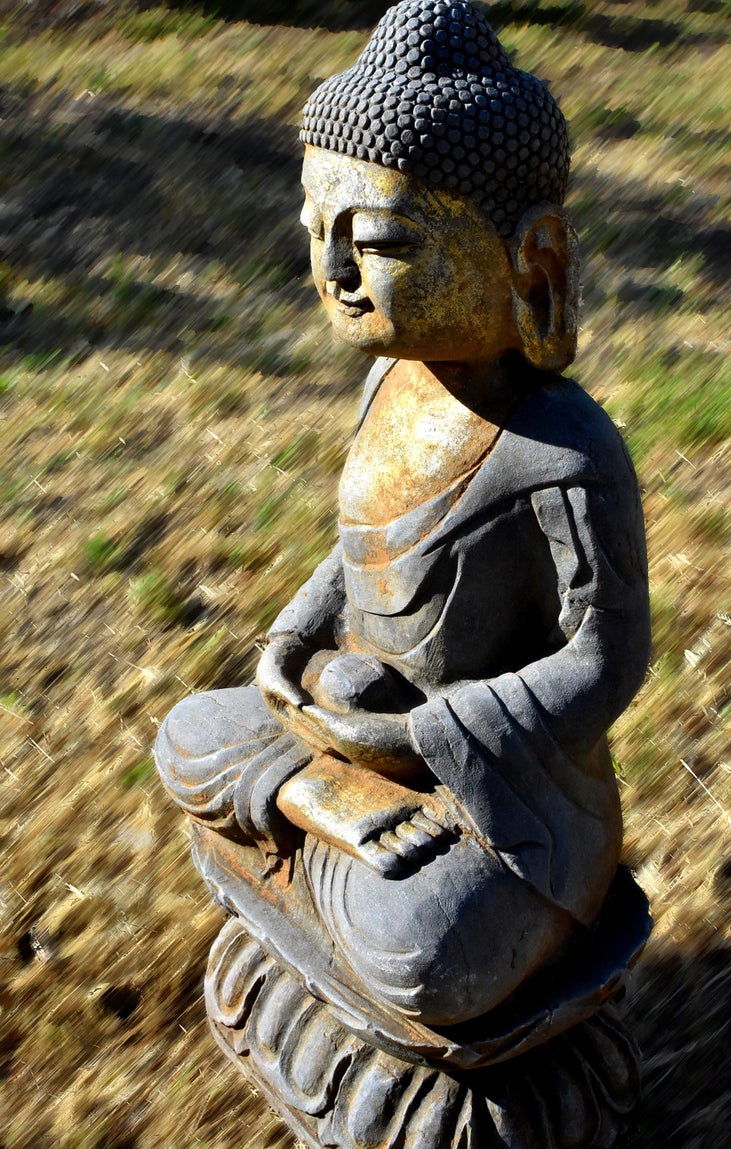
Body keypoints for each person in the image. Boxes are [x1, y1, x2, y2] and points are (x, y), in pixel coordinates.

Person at [155, 0, 650, 1034]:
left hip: (504, 794)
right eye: (315, 233)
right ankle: (327, 806)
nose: (334, 275)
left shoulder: (565, 450)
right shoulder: (391, 383)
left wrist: (418, 732)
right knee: (189, 733)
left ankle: (309, 824)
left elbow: (605, 659)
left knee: (422, 952)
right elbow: (355, 555)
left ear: (531, 257)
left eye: (377, 241)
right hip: (349, 725)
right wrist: (292, 639)